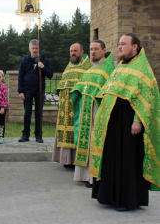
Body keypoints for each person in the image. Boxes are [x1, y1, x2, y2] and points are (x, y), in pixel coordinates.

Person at [91, 34, 160, 211]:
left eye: (123, 44)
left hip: (129, 122)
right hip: (112, 122)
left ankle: (127, 200)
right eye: (118, 44)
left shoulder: (143, 68)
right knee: (113, 157)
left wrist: (138, 121)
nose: (119, 47)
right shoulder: (120, 66)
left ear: (135, 47)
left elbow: (146, 97)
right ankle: (109, 196)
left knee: (127, 160)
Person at [70, 40, 115, 187]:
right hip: (85, 110)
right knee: (85, 142)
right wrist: (75, 92)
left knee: (94, 142)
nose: (93, 52)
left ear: (104, 50)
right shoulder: (90, 69)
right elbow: (80, 85)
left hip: (97, 110)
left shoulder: (109, 69)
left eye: (96, 49)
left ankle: (94, 177)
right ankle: (84, 175)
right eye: (91, 49)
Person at [52, 43, 91, 168]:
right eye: (71, 51)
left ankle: (75, 160)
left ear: (82, 51)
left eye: (75, 51)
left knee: (76, 130)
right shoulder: (69, 66)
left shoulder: (87, 65)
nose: (73, 53)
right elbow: (62, 85)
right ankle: (66, 160)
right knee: (64, 131)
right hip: (64, 106)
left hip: (77, 106)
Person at [18, 39, 53, 143]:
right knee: (27, 113)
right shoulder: (25, 60)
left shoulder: (44, 60)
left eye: (36, 48)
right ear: (29, 48)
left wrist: (43, 67)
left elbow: (50, 75)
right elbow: (20, 76)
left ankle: (38, 135)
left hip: (39, 90)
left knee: (39, 113)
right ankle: (25, 135)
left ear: (39, 49)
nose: (34, 50)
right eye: (33, 48)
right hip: (27, 90)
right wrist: (20, 91)